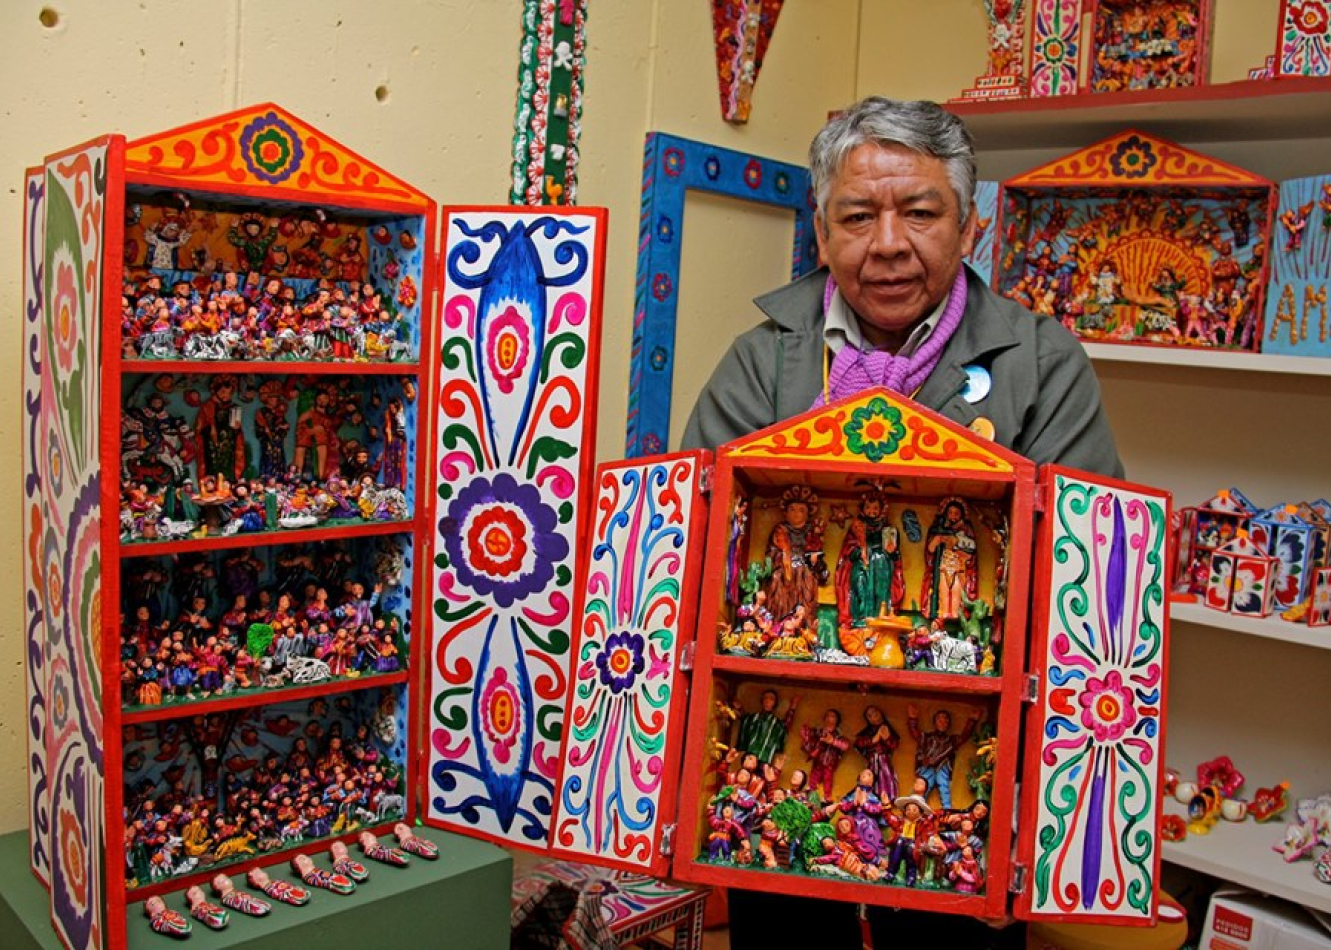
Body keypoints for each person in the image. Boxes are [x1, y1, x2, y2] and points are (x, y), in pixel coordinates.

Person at [681, 96, 1122, 950]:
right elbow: (692, 552)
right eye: (857, 215)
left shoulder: (1038, 362)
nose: (887, 243)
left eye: (919, 212)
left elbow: (1085, 580)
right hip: (791, 758)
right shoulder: (763, 359)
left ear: (967, 228)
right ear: (821, 231)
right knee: (783, 926)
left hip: (961, 764)